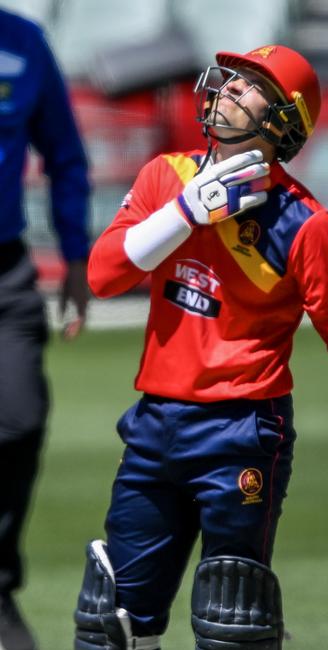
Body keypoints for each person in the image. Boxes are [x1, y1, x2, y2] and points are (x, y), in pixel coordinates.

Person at [73, 44, 328, 649]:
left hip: (243, 429)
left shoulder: (307, 224)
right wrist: (185, 212)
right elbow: (103, 275)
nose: (229, 88)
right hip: (155, 422)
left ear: (284, 119)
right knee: (114, 625)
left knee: (235, 622)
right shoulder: (167, 177)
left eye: (252, 84)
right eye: (232, 77)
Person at [0, 8, 90, 650]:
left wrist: (78, 256)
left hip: (6, 274)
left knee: (21, 420)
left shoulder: (24, 43)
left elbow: (64, 154)